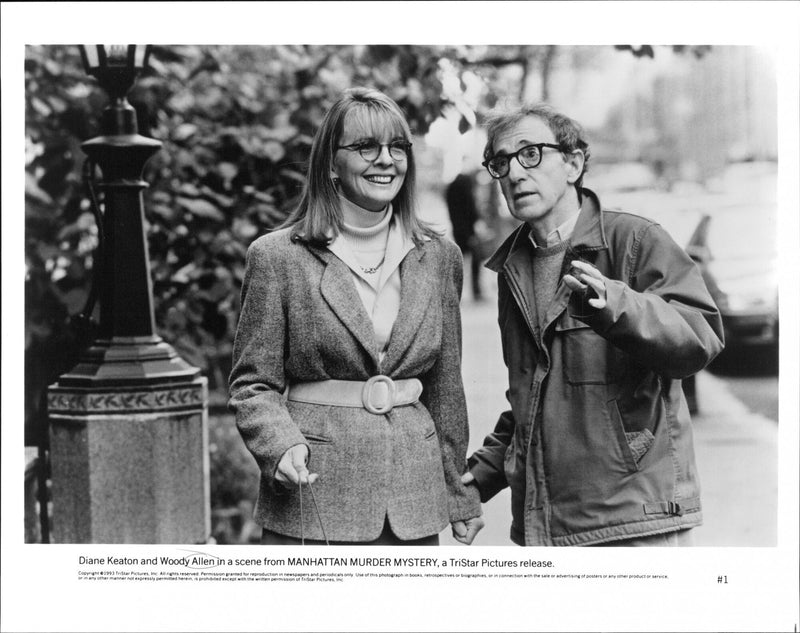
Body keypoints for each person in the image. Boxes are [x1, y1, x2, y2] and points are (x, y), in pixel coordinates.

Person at [229, 87, 483, 546]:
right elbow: (253, 384)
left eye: (397, 147)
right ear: (330, 163)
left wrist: (457, 491)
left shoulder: (439, 256)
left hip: (414, 500)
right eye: (366, 147)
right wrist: (279, 444)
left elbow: (446, 387)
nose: (386, 160)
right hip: (316, 492)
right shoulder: (277, 258)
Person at [461, 104, 724, 546]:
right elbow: (537, 399)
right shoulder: (513, 268)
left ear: (574, 163)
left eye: (530, 154)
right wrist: (481, 477)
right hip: (546, 523)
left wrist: (617, 304)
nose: (514, 173)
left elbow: (700, 338)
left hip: (633, 519)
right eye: (501, 162)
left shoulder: (633, 240)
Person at [445, 168, 484, 300]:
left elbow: (450, 209)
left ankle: (455, 292)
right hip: (468, 229)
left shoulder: (451, 187)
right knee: (475, 259)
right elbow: (471, 206)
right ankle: (476, 291)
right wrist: (476, 222)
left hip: (457, 229)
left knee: (459, 260)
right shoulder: (466, 183)